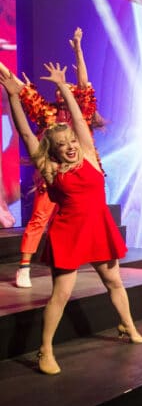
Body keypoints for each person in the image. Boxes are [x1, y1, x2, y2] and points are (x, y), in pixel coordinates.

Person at [1, 63, 142, 375]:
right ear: (53, 151)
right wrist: (13, 97)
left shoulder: (90, 156)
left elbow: (79, 118)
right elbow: (25, 132)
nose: (68, 147)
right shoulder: (51, 170)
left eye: (71, 142)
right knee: (61, 294)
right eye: (61, 145)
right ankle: (45, 349)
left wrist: (64, 86)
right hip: (69, 233)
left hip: (99, 229)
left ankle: (127, 325)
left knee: (114, 282)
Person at [3, 27, 102, 288]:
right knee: (39, 217)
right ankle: (24, 267)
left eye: (66, 89)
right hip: (54, 177)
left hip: (82, 174)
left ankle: (90, 258)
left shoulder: (83, 113)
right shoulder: (46, 113)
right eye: (60, 90)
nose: (62, 92)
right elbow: (19, 86)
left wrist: (78, 49)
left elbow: (83, 85)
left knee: (85, 218)